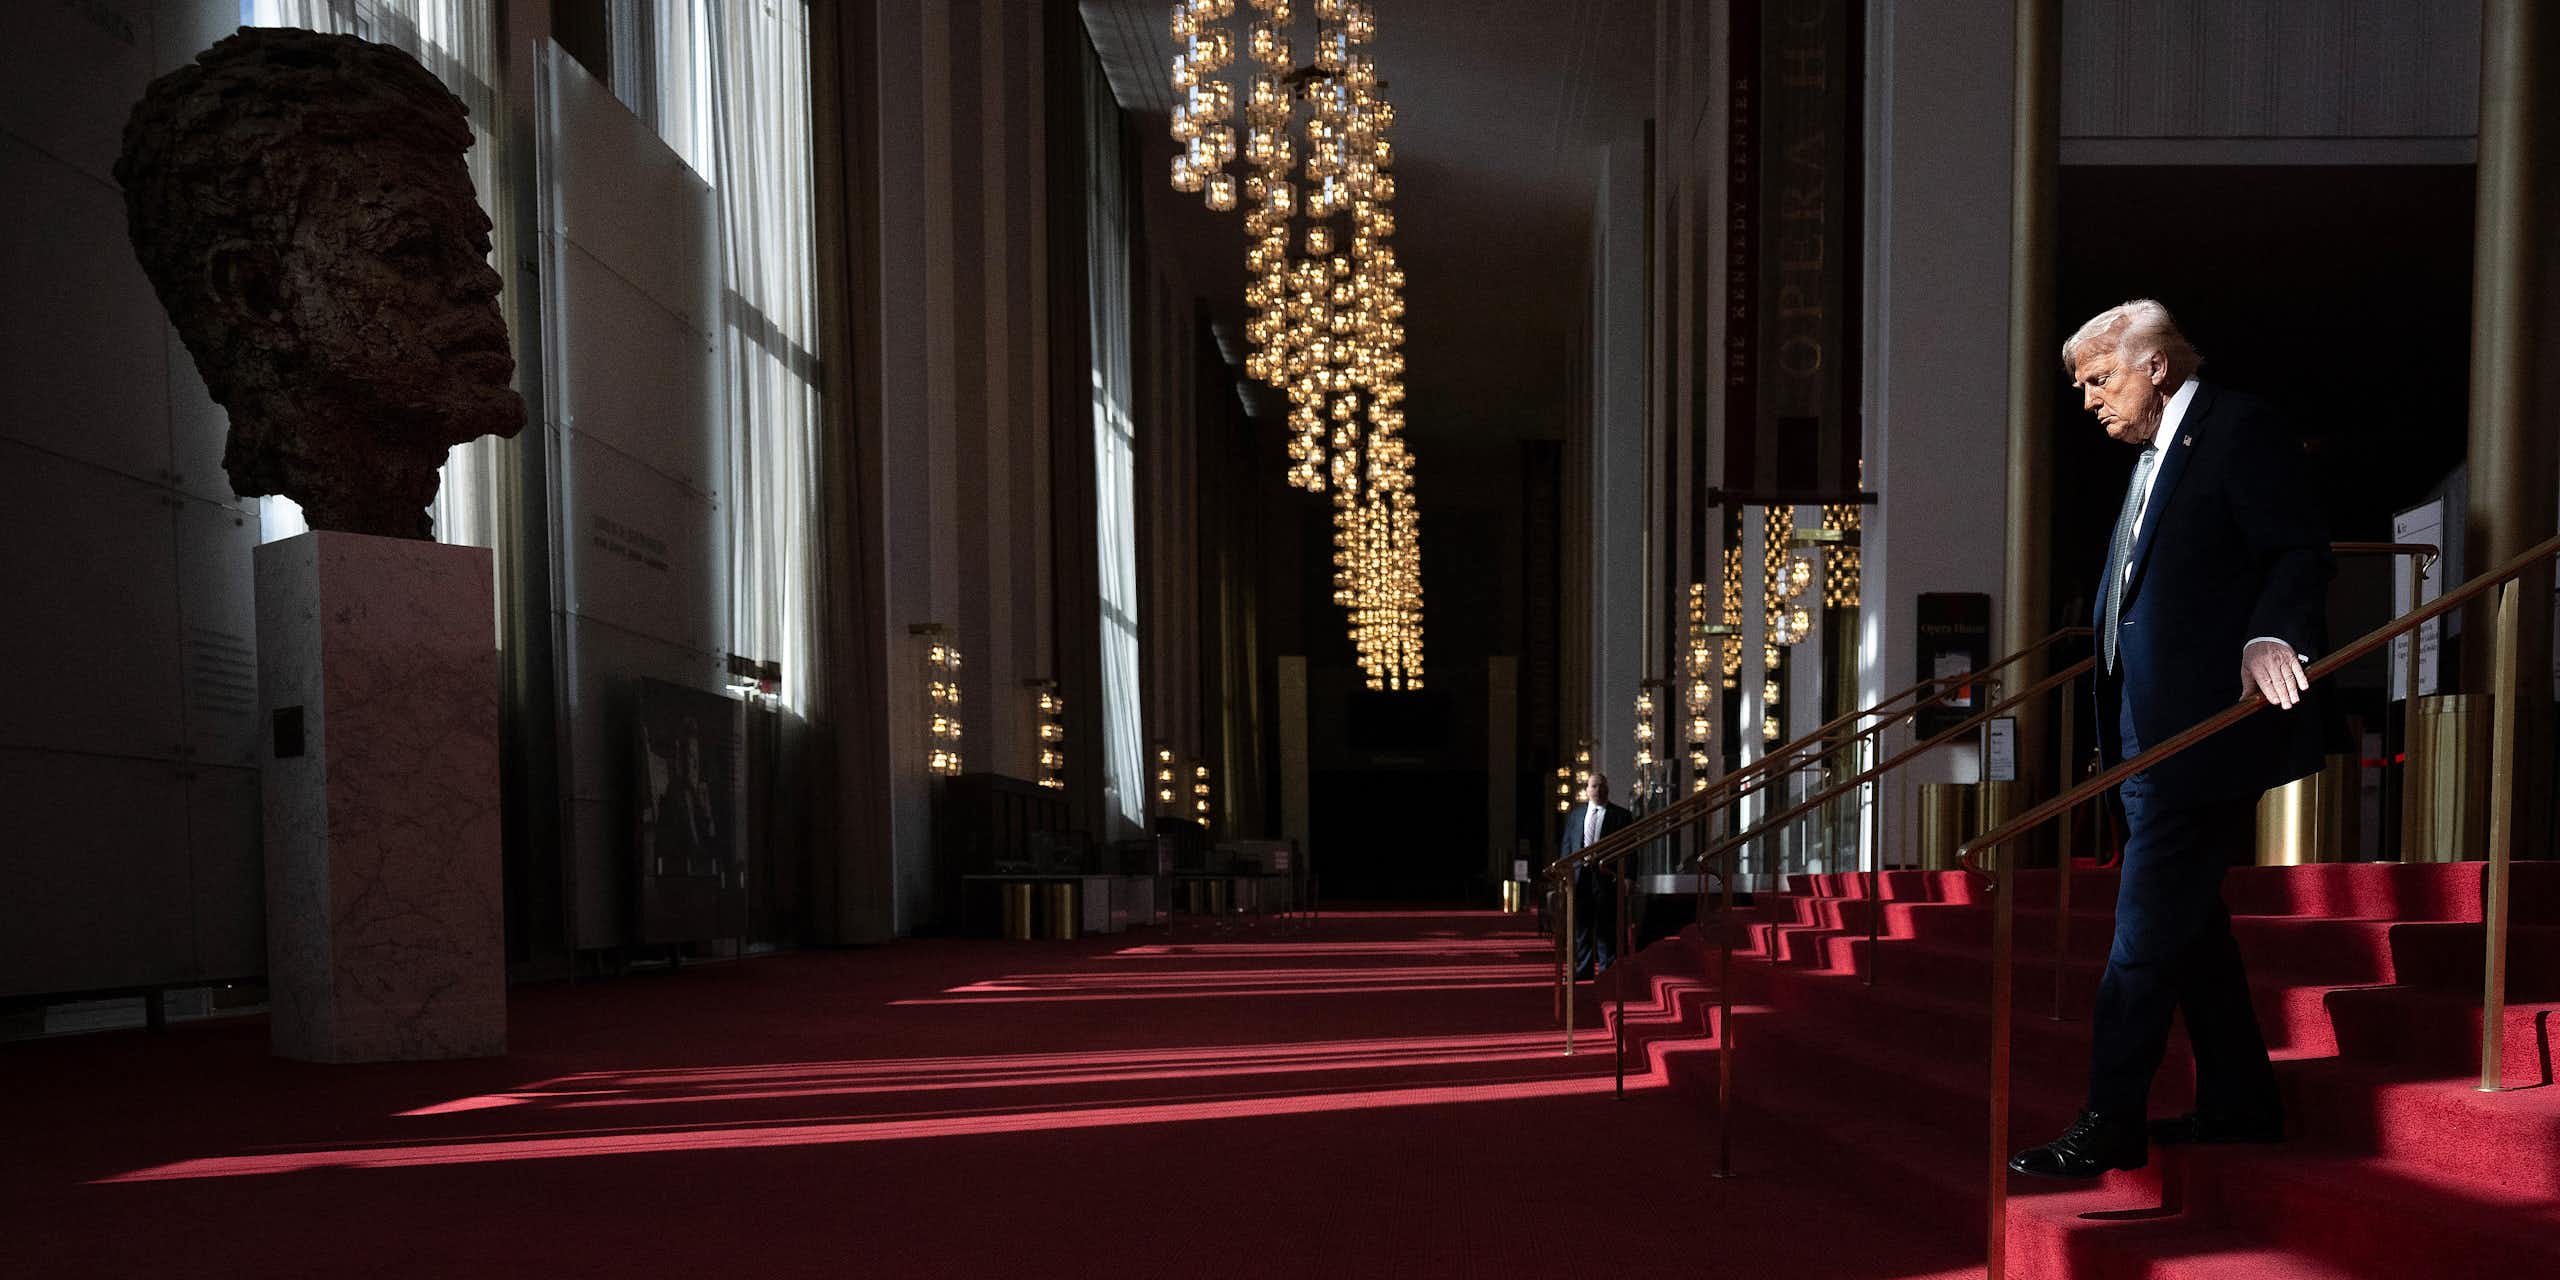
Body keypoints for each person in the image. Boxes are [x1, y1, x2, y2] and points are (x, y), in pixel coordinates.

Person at [2009, 300, 2330, 1179]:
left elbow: (2298, 551)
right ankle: (2242, 1100)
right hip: (2141, 740)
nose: (2088, 400)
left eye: (2098, 379)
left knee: (2144, 934)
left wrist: (2271, 636)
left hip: (2203, 733)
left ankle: (2110, 1120)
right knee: (2191, 928)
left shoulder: (2238, 428)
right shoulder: (2153, 455)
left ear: (2154, 364)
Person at [1558, 772, 1635, 980]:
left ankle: (1607, 972)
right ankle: (1583, 970)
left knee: (1606, 927)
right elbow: (1567, 846)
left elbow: (1630, 850)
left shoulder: (1621, 816)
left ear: (1607, 789)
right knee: (1581, 928)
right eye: (1593, 786)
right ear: (1586, 790)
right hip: (1580, 877)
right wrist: (1565, 874)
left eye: (1601, 786)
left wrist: (1629, 876)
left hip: (1606, 876)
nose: (1597, 790)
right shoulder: (1575, 816)